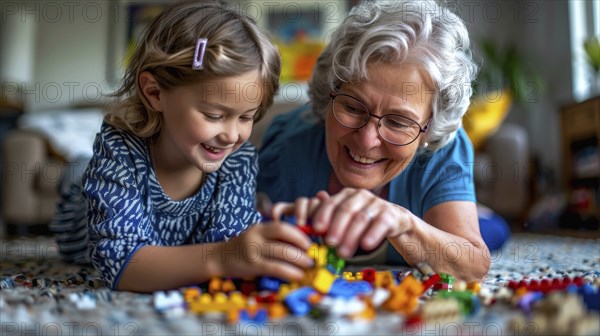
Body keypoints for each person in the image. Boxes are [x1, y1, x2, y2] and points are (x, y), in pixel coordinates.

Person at [50, 0, 314, 292]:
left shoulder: (239, 159)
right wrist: (226, 257)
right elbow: (123, 267)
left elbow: (233, 246)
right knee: (80, 169)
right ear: (155, 93)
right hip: (78, 213)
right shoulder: (119, 149)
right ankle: (80, 164)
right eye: (214, 115)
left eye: (246, 117)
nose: (230, 135)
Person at [258, 0, 504, 282]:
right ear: (329, 95)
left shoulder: (444, 148)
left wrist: (403, 223)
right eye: (352, 107)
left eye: (399, 122)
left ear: (430, 129)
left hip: (457, 217)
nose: (366, 140)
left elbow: (473, 265)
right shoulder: (288, 146)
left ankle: (478, 213)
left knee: (494, 231)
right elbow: (243, 241)